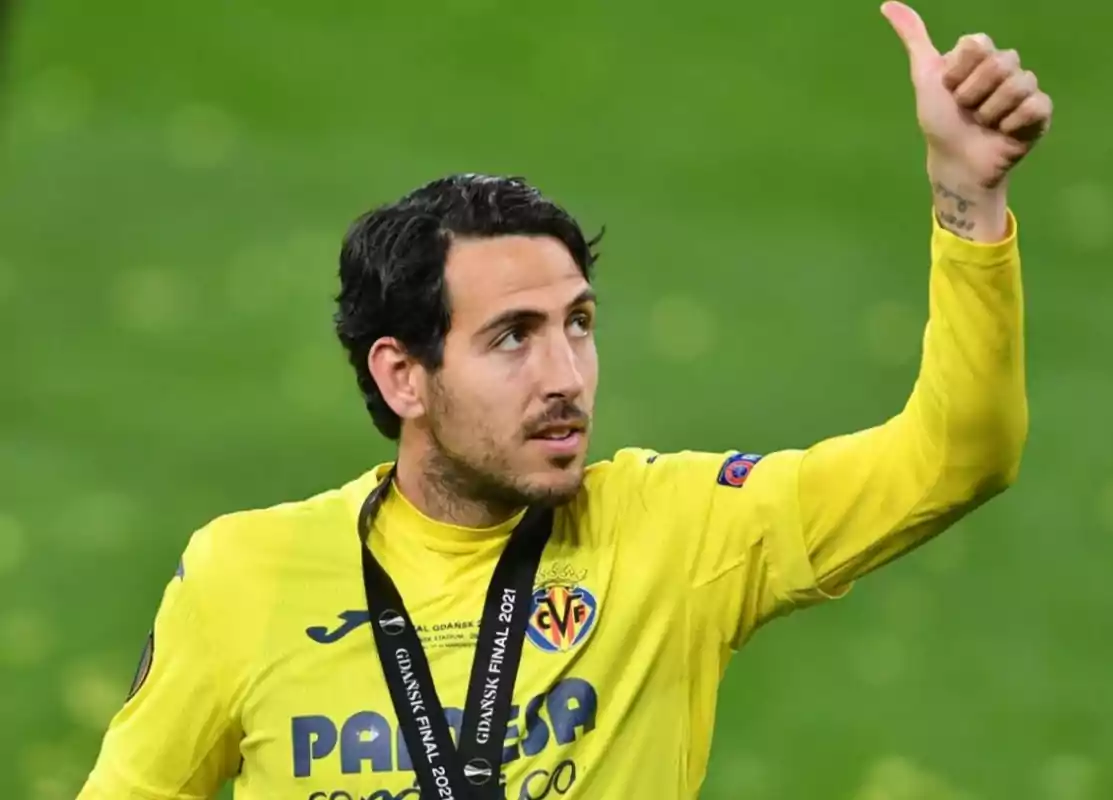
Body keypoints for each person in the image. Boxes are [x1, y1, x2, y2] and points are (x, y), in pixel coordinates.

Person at [79, 3, 1052, 798]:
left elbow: (960, 453)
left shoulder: (677, 534)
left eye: (577, 323)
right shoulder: (243, 575)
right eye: (513, 336)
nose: (566, 375)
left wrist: (966, 194)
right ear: (401, 374)